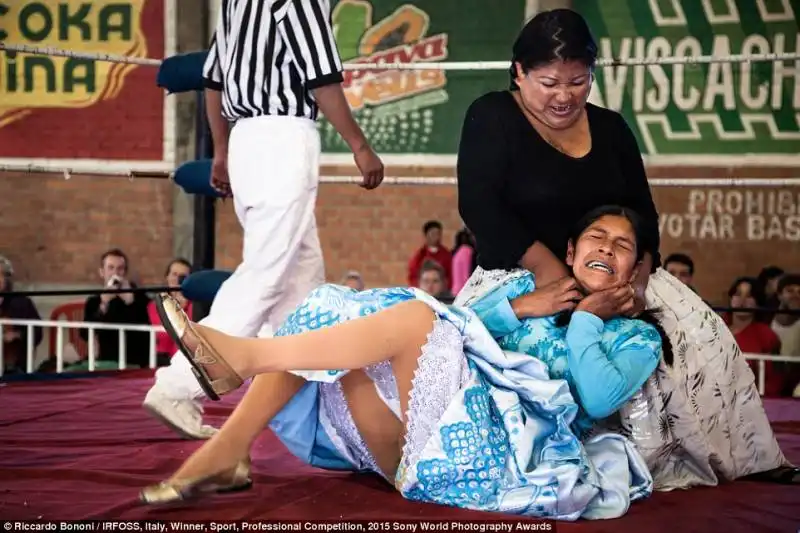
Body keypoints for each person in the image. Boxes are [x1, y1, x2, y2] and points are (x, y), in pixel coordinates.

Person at [141, 207, 663, 520]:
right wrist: (521, 306)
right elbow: (456, 324)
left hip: (493, 460)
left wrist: (590, 318)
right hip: (415, 436)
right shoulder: (529, 288)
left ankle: (244, 356)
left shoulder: (636, 336)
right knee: (330, 316)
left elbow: (596, 397)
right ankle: (229, 450)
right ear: (571, 251)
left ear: (634, 268)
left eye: (622, 246)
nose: (606, 249)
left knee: (414, 317)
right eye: (597, 238)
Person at [454, 8, 791, 488]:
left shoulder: (611, 129)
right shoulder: (490, 115)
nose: (564, 96)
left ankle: (741, 457)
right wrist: (559, 277)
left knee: (699, 332)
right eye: (549, 82)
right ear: (519, 73)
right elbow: (479, 207)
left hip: (618, 266)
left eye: (578, 81)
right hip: (521, 270)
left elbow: (644, 214)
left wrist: (634, 283)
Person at [142, 0, 384, 439]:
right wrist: (359, 145)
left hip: (246, 140)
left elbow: (213, 79)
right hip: (282, 139)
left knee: (301, 280)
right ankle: (179, 384)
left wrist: (220, 150)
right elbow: (322, 78)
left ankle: (315, 406)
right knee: (266, 273)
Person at [147, 258, 193, 366]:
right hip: (162, 359)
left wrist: (185, 307)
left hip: (187, 360)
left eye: (183, 276)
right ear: (167, 277)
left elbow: (191, 334)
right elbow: (164, 336)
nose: (177, 279)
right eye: (174, 274)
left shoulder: (195, 305)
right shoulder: (155, 305)